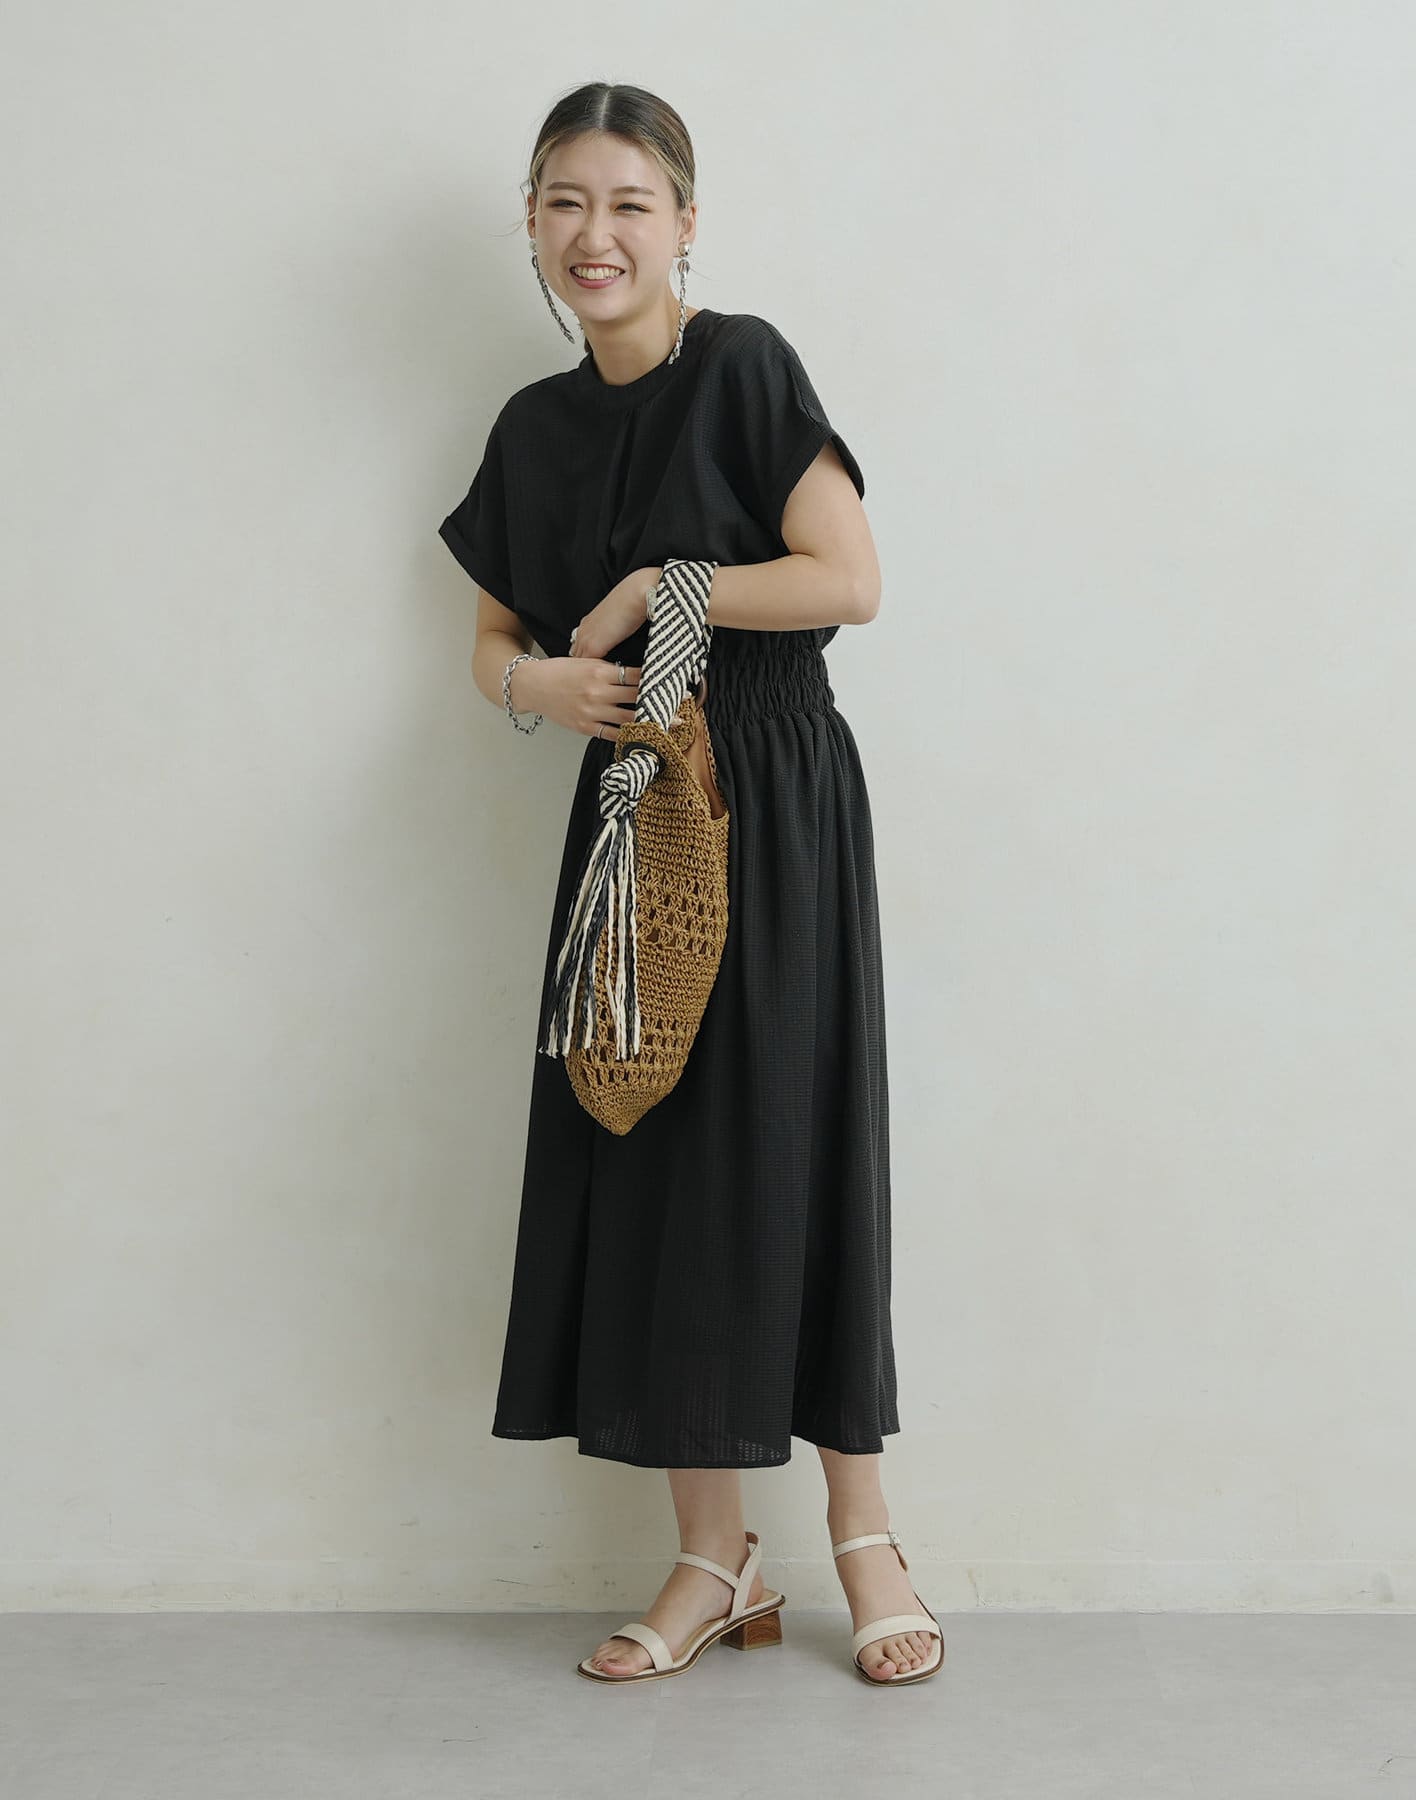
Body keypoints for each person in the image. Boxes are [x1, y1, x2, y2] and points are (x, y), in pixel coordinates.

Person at [437, 81, 942, 1687]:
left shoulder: (743, 367)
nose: (595, 235)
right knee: (654, 1149)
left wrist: (667, 587)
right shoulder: (533, 428)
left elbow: (849, 581)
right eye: (564, 202)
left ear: (685, 223)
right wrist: (539, 687)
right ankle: (714, 1561)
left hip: (774, 793)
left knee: (797, 1139)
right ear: (533, 223)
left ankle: (864, 1535)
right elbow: (493, 641)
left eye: (628, 203)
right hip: (631, 809)